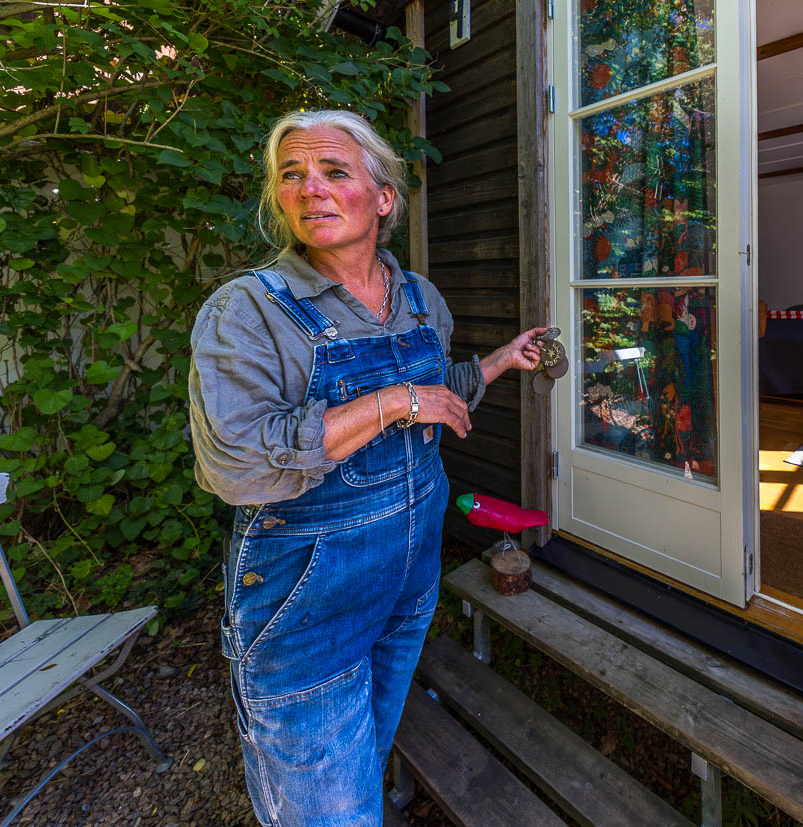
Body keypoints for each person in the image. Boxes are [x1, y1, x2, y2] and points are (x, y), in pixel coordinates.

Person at [188, 109, 545, 826]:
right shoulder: (249, 311)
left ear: (383, 198)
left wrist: (502, 360)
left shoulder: (419, 298)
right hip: (307, 613)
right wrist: (390, 401)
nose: (309, 188)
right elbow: (234, 464)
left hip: (409, 584)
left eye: (334, 172)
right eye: (292, 175)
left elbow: (438, 392)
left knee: (368, 763)